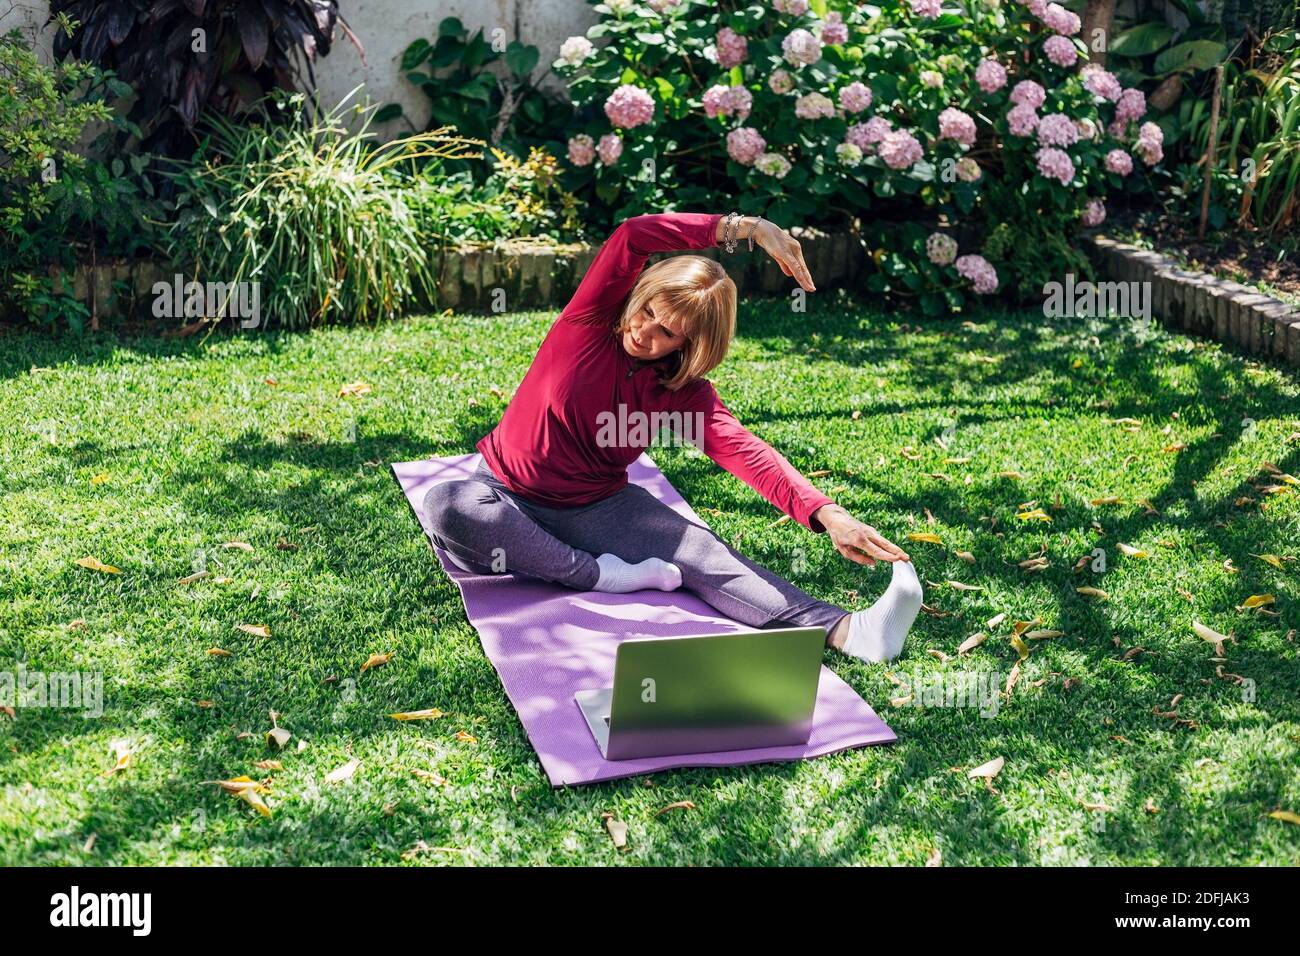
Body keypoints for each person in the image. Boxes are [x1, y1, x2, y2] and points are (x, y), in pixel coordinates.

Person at [424, 212, 922, 662]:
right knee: (449, 503)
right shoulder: (589, 322)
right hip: (503, 495)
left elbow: (747, 453)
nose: (645, 332)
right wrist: (745, 229)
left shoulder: (683, 393)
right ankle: (598, 574)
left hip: (598, 508)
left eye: (667, 332)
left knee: (704, 554)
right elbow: (633, 234)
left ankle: (847, 631)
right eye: (647, 313)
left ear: (691, 344)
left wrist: (826, 513)